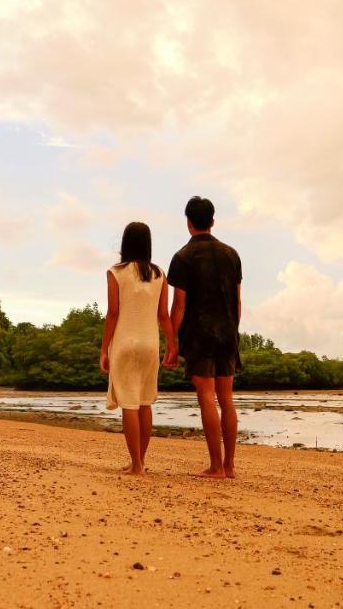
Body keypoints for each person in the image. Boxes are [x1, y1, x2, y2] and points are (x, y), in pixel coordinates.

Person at [164, 196, 242, 479]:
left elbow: (179, 306)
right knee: (227, 398)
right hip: (228, 332)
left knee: (207, 397)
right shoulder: (231, 254)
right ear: (212, 221)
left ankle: (216, 466)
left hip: (199, 335)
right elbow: (237, 300)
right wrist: (233, 330)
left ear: (188, 222)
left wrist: (172, 342)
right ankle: (230, 466)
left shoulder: (182, 257)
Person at [100, 221, 174, 476]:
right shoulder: (159, 274)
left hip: (125, 343)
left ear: (125, 243)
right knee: (145, 402)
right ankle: (139, 461)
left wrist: (103, 348)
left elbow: (112, 312)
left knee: (129, 403)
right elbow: (164, 316)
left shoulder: (116, 272)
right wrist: (172, 345)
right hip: (150, 344)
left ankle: (137, 466)